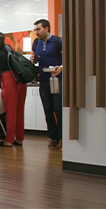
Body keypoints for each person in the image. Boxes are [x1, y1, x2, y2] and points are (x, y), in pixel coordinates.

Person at [0, 31, 27, 147]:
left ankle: (9, 140)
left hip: (9, 80)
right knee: (20, 110)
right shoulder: (10, 50)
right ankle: (19, 138)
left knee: (10, 111)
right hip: (21, 80)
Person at [31, 19, 63, 148]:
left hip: (58, 79)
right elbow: (34, 58)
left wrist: (61, 67)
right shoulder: (36, 43)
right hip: (44, 80)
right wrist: (33, 59)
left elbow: (68, 57)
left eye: (38, 29)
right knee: (48, 110)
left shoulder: (58, 41)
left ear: (47, 28)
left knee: (58, 109)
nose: (36, 32)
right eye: (35, 30)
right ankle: (53, 137)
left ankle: (63, 137)